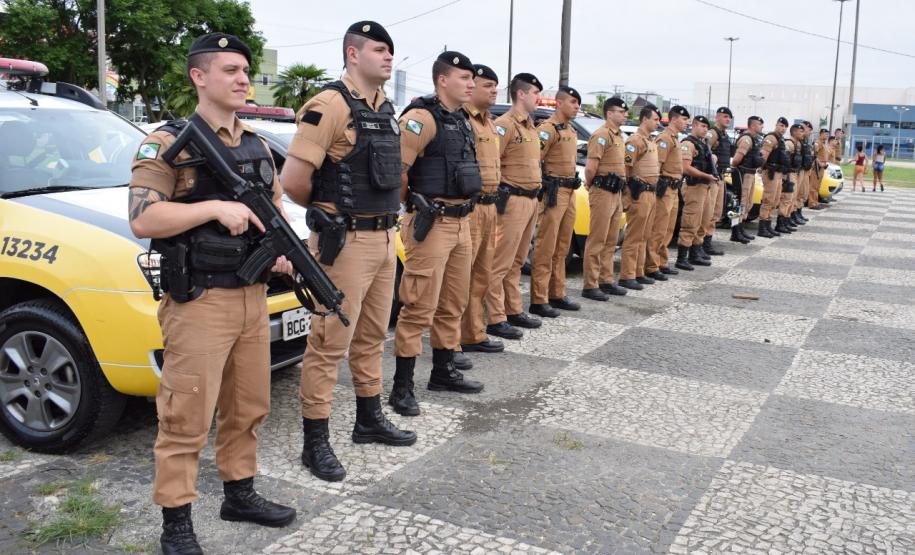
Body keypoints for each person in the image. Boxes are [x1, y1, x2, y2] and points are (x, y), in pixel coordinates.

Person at [129, 32, 297, 554]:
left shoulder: (257, 144)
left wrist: (286, 253)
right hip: (199, 301)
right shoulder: (168, 141)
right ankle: (176, 522)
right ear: (199, 77)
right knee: (186, 416)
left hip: (252, 296)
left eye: (245, 69)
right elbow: (142, 218)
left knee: (248, 405)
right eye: (229, 70)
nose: (243, 78)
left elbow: (274, 215)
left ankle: (238, 492)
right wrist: (211, 209)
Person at [281, 21, 416, 483]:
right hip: (346, 244)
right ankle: (314, 440)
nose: (389, 57)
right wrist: (327, 213)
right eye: (380, 50)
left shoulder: (385, 108)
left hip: (383, 239)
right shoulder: (328, 106)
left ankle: (368, 418)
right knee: (327, 344)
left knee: (373, 335)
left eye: (391, 51)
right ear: (353, 55)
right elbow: (294, 182)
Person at [390, 50, 486, 411]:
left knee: (453, 302)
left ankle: (443, 371)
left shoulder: (461, 119)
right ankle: (402, 386)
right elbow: (398, 172)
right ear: (443, 80)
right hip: (431, 223)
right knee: (418, 305)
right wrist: (410, 208)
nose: (470, 84)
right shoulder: (420, 118)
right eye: (464, 78)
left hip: (462, 221)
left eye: (472, 79)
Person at [485, 73, 544, 339]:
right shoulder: (504, 125)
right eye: (535, 93)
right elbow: (492, 162)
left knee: (518, 261)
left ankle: (512, 309)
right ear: (521, 94)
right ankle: (495, 317)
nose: (538, 99)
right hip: (512, 201)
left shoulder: (530, 126)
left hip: (531, 200)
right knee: (500, 261)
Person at [458, 64, 505, 360]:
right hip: (470, 207)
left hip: (491, 206)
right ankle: (449, 343)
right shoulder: (461, 120)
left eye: (495, 86)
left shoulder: (490, 123)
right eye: (488, 85)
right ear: (471, 86)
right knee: (459, 278)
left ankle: (473, 333)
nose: (494, 91)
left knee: (481, 275)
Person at [529, 85, 583, 318]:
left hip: (569, 192)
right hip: (554, 193)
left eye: (578, 103)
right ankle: (539, 299)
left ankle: (556, 293)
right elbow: (534, 160)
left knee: (562, 246)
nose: (577, 107)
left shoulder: (570, 130)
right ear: (559, 103)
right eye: (573, 102)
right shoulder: (547, 129)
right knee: (546, 246)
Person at [581, 96, 629, 301]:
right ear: (610, 113)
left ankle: (605, 280)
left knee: (611, 240)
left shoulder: (619, 136)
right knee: (597, 239)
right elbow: (591, 168)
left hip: (616, 192)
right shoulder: (601, 135)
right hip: (602, 191)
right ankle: (590, 284)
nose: (625, 115)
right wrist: (593, 185)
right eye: (621, 111)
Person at [617, 104, 661, 290]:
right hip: (640, 192)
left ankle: (638, 272)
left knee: (644, 235)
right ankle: (627, 275)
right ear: (644, 119)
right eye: (655, 119)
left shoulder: (650, 140)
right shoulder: (635, 141)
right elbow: (626, 168)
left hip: (651, 192)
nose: (658, 123)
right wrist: (630, 191)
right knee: (634, 236)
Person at [646, 105, 692, 279]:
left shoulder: (675, 139)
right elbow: (657, 166)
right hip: (664, 188)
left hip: (674, 187)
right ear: (673, 119)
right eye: (684, 119)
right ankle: (651, 265)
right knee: (659, 228)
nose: (686, 122)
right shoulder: (664, 139)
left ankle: (662, 262)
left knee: (668, 229)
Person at [677, 115, 719, 271]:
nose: (705, 129)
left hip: (705, 186)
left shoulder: (704, 144)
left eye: (707, 127)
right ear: (694, 126)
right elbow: (685, 168)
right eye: (702, 126)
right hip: (694, 186)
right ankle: (682, 257)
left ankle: (696, 252)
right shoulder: (688, 143)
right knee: (690, 221)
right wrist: (705, 175)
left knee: (704, 220)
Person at [705, 107, 736, 246]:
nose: (727, 119)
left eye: (729, 117)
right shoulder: (713, 133)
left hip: (721, 177)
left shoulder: (724, 135)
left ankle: (707, 242)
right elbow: (705, 151)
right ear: (717, 117)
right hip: (713, 177)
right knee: (709, 212)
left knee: (717, 211)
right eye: (724, 116)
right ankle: (702, 244)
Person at [730, 116, 765, 237]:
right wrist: (738, 170)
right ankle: (735, 230)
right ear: (753, 126)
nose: (762, 127)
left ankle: (740, 227)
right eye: (760, 125)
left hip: (750, 174)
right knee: (739, 203)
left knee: (747, 203)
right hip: (743, 175)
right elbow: (736, 160)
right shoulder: (747, 139)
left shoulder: (754, 139)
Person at [757, 117, 791, 237]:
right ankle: (762, 228)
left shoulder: (780, 139)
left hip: (778, 173)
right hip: (770, 172)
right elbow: (764, 155)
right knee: (768, 199)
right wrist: (761, 168)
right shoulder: (771, 138)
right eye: (781, 125)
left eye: (785, 126)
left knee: (775, 200)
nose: (783, 128)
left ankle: (768, 224)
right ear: (776, 125)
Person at [809, 128, 830, 210]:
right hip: (817, 167)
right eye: (825, 134)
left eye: (827, 134)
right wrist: (819, 163)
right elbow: (813, 154)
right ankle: (812, 203)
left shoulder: (824, 143)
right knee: (813, 186)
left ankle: (816, 201)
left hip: (822, 167)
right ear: (820, 134)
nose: (826, 136)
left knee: (817, 186)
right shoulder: (817, 143)